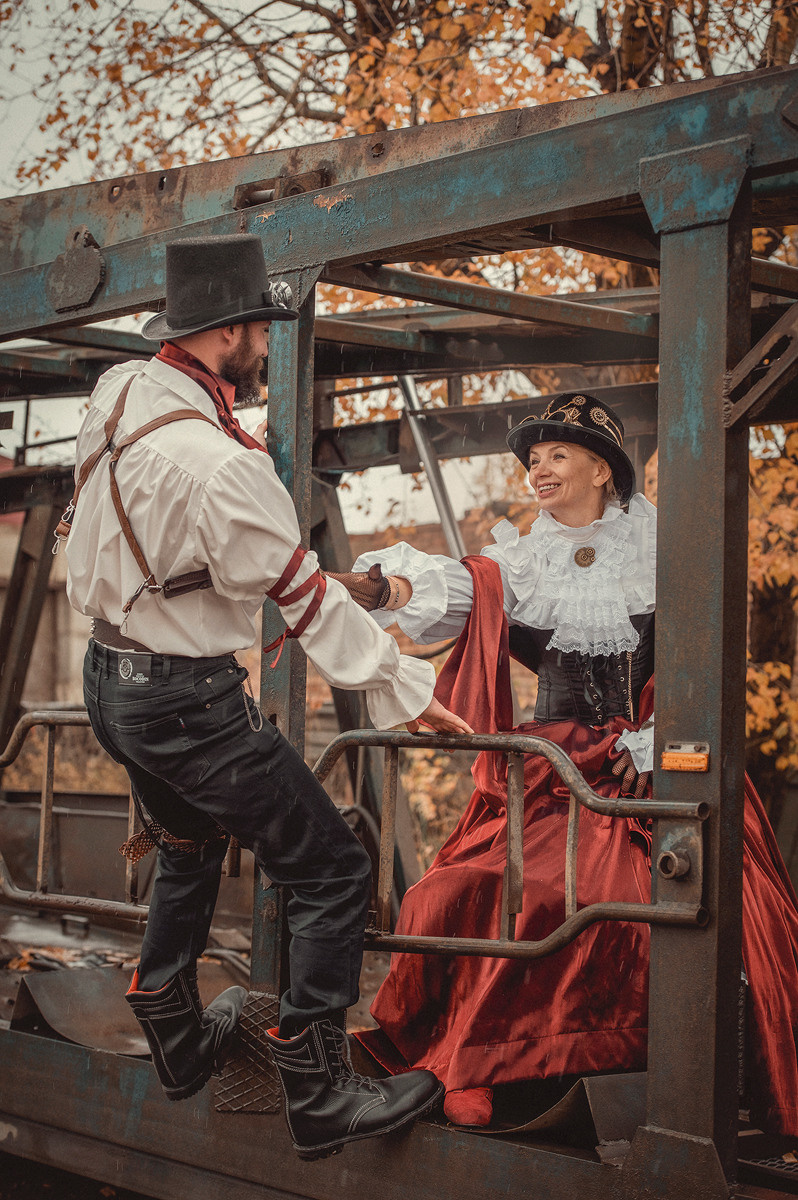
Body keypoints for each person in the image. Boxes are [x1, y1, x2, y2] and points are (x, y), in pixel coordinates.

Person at [61, 233, 472, 1162]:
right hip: (186, 705)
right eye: (259, 333)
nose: (263, 350)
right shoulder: (225, 466)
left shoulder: (120, 392)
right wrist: (409, 689)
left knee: (187, 841)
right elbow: (305, 599)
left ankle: (170, 1023)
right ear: (233, 331)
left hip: (109, 683)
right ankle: (319, 1093)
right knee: (331, 871)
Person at [336, 393, 798, 1135]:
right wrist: (379, 586)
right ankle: (461, 1055)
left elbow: (703, 660)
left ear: (603, 469)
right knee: (455, 889)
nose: (537, 471)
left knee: (581, 899)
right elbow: (463, 589)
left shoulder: (664, 549)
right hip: (552, 769)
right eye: (532, 459)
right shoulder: (522, 559)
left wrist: (654, 743)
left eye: (556, 455)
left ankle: (510, 1063)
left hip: (648, 764)